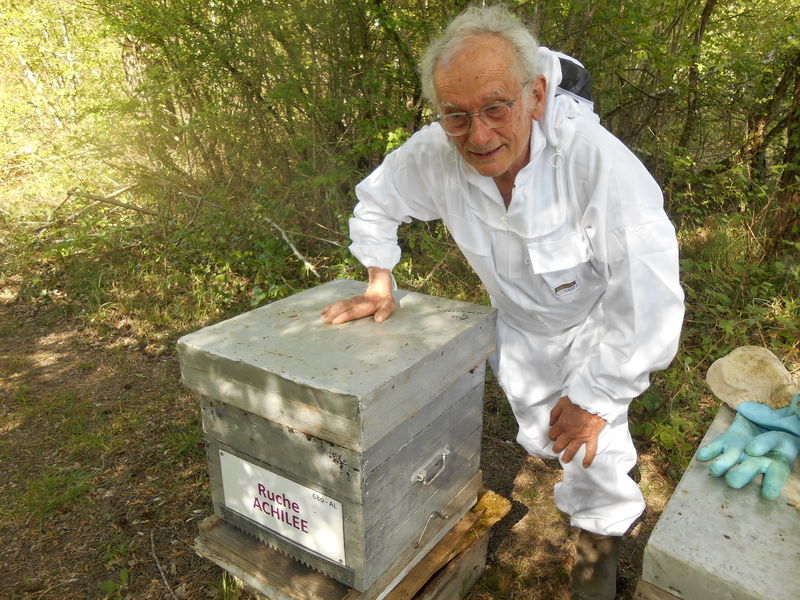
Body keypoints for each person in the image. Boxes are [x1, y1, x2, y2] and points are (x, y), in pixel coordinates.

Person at [321, 5, 684, 599]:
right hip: (518, 326)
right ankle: (578, 477)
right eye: (457, 117)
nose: (480, 135)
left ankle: (598, 550)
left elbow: (648, 293)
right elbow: (377, 201)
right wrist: (378, 276)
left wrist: (596, 395)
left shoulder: (594, 161)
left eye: (496, 107)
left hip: (597, 320)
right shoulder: (434, 152)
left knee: (594, 438)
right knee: (546, 435)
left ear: (535, 95)